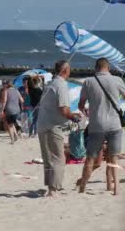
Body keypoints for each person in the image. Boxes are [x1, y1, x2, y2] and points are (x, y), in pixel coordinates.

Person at [78, 58, 125, 196]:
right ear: (108, 68)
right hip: (114, 124)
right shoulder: (117, 80)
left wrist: (85, 110)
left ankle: (83, 187)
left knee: (91, 157)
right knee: (113, 157)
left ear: (96, 68)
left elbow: (81, 104)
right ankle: (116, 188)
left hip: (96, 124)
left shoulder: (88, 82)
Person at [37, 60, 81, 197]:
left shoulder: (49, 84)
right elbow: (64, 110)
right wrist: (74, 117)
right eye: (69, 69)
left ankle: (50, 186)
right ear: (65, 70)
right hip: (53, 126)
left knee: (48, 157)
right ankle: (53, 189)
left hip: (42, 124)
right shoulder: (61, 85)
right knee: (58, 157)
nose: (71, 71)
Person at [0, 80, 23, 144]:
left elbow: (4, 101)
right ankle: (16, 136)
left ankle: (12, 140)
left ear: (7, 85)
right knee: (12, 124)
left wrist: (2, 110)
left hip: (9, 110)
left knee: (9, 125)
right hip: (17, 110)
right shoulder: (16, 90)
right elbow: (22, 100)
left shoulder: (6, 91)